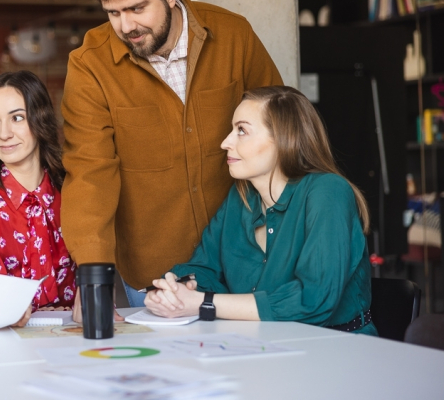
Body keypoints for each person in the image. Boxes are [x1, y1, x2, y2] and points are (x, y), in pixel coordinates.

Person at [61, 0, 283, 307]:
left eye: (137, 8)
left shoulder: (233, 36)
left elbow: (282, 130)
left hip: (246, 257)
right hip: (154, 274)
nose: (126, 26)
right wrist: (93, 278)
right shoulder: (89, 66)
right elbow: (89, 175)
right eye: (113, 13)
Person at [145, 86, 378, 335]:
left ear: (283, 139)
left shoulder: (328, 192)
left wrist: (204, 303)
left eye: (242, 131)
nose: (225, 142)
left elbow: (313, 301)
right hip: (261, 348)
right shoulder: (241, 197)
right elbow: (204, 267)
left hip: (338, 352)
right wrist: (174, 291)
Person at [0, 71, 76, 314]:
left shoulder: (72, 185)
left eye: (17, 118)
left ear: (40, 118)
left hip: (74, 330)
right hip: (9, 332)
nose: (3, 134)